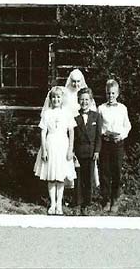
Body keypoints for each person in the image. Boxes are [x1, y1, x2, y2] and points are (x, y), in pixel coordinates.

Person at [33, 86, 76, 215]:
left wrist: (70, 149)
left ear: (62, 99)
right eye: (54, 97)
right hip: (50, 144)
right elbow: (43, 132)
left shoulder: (67, 113)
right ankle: (52, 204)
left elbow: (71, 131)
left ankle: (59, 205)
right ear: (50, 99)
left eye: (58, 97)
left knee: (60, 176)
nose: (56, 99)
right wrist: (44, 150)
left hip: (63, 144)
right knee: (51, 176)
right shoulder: (47, 113)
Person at [98, 79, 132, 213]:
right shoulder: (101, 108)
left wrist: (122, 135)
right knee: (105, 172)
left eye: (113, 93)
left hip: (118, 143)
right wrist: (104, 133)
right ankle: (105, 199)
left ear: (117, 93)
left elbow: (127, 126)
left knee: (116, 172)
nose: (110, 96)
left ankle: (115, 199)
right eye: (108, 93)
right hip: (106, 143)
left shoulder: (123, 108)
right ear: (105, 94)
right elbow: (99, 126)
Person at [73, 88, 102, 215]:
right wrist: (72, 152)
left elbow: (98, 136)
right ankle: (78, 203)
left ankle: (87, 203)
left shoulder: (96, 116)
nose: (84, 102)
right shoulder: (74, 117)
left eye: (87, 99)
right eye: (82, 99)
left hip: (91, 153)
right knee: (78, 178)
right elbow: (72, 136)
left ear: (91, 101)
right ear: (78, 101)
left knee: (88, 178)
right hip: (78, 152)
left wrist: (97, 151)